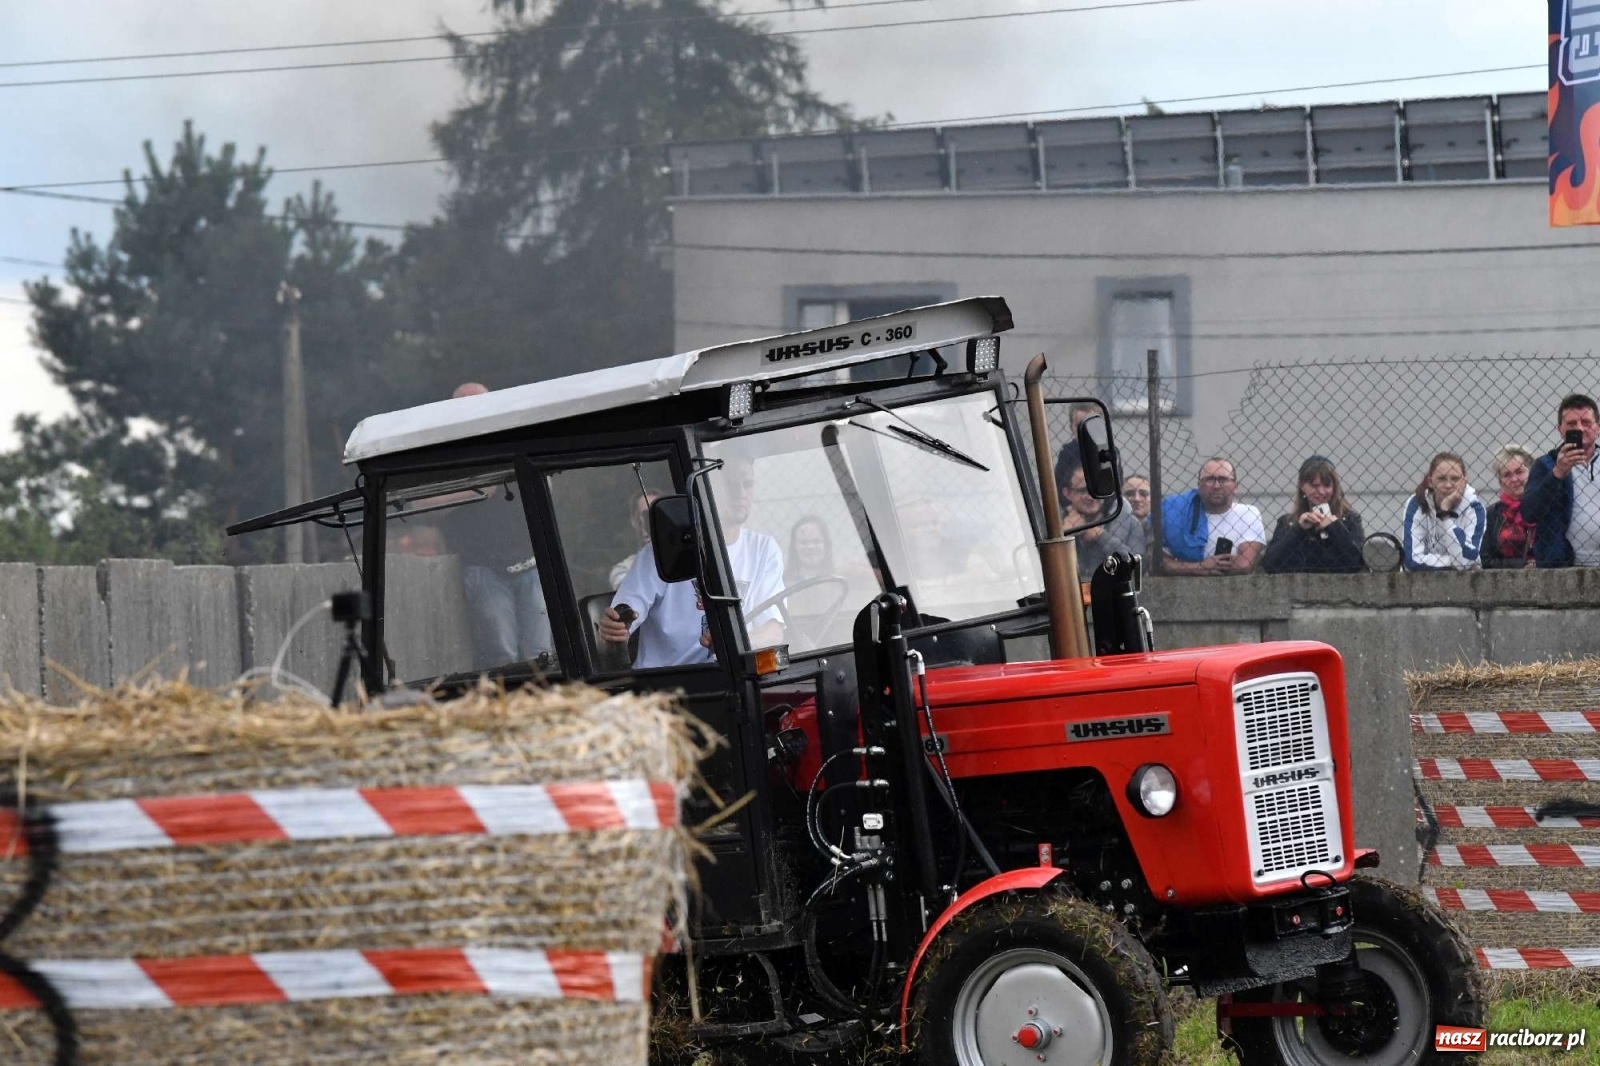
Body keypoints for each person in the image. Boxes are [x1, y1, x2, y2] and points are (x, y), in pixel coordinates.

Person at [600, 459, 784, 668]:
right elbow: (623, 621)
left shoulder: (763, 549)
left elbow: (773, 630)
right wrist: (615, 628)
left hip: (735, 673)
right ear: (707, 490)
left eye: (747, 484)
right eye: (731, 485)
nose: (740, 493)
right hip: (670, 681)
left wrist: (732, 643)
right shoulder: (656, 554)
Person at [1523, 393, 1600, 567]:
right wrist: (1558, 473)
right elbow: (1529, 513)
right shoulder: (1546, 465)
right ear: (1560, 429)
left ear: (1598, 428)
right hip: (1562, 567)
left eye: (1586, 423)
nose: (1579, 429)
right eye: (1572, 424)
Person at [1159, 457, 1265, 575]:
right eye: (1209, 479)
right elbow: (1162, 563)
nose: (1216, 486)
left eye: (1223, 479)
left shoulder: (1247, 513)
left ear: (1235, 486)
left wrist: (1185, 567)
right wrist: (1201, 567)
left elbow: (1244, 564)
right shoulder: (1177, 512)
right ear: (1199, 485)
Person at [1262, 455, 1365, 574]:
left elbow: (1357, 563)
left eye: (1327, 485)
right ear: (1302, 486)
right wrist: (1298, 529)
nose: (1321, 492)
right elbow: (1270, 564)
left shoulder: (1349, 519)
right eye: (1314, 486)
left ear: (1334, 486)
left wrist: (1335, 527)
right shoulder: (1287, 523)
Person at [1402, 452, 1485, 571]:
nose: (1448, 485)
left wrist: (1445, 514)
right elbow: (1411, 559)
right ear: (1431, 482)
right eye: (1441, 479)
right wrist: (1454, 562)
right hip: (1421, 580)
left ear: (1464, 481)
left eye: (1455, 479)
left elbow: (1466, 559)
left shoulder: (1475, 509)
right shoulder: (1416, 504)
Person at [1063, 467, 1144, 575]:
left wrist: (1101, 536)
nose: (1091, 496)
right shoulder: (1059, 521)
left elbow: (1138, 567)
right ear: (1067, 493)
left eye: (1096, 489)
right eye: (1083, 491)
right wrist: (1064, 534)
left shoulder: (1130, 521)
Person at [1482, 445, 1537, 570]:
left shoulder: (1547, 507)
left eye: (1519, 472)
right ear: (1500, 482)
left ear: (1532, 473)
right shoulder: (1491, 514)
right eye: (1507, 475)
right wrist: (1521, 565)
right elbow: (1486, 559)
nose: (1514, 479)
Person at [610, 489, 664, 590]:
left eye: (656, 515)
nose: (650, 522)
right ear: (634, 521)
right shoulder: (624, 570)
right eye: (645, 516)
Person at [1051, 402, 1098, 495]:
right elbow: (1059, 485)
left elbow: (1116, 485)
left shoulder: (1108, 451)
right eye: (1078, 424)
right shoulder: (1066, 454)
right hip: (1074, 500)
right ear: (1071, 428)